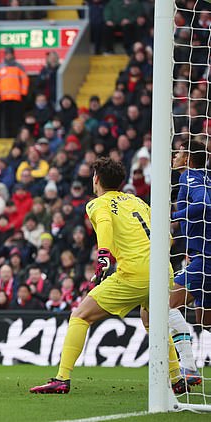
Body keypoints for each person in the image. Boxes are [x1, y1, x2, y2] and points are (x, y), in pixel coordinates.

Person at [30, 157, 188, 394]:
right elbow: (166, 236)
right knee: (152, 322)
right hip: (162, 269)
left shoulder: (97, 204)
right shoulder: (137, 201)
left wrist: (103, 254)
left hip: (134, 273)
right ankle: (176, 379)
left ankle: (62, 378)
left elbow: (104, 224)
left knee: (80, 316)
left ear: (96, 179)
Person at [169, 140, 211, 385]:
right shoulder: (205, 177)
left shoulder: (190, 178)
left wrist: (172, 216)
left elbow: (204, 204)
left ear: (187, 158)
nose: (175, 156)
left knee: (164, 306)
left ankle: (188, 368)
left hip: (204, 260)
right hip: (202, 256)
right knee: (205, 321)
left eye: (179, 152)